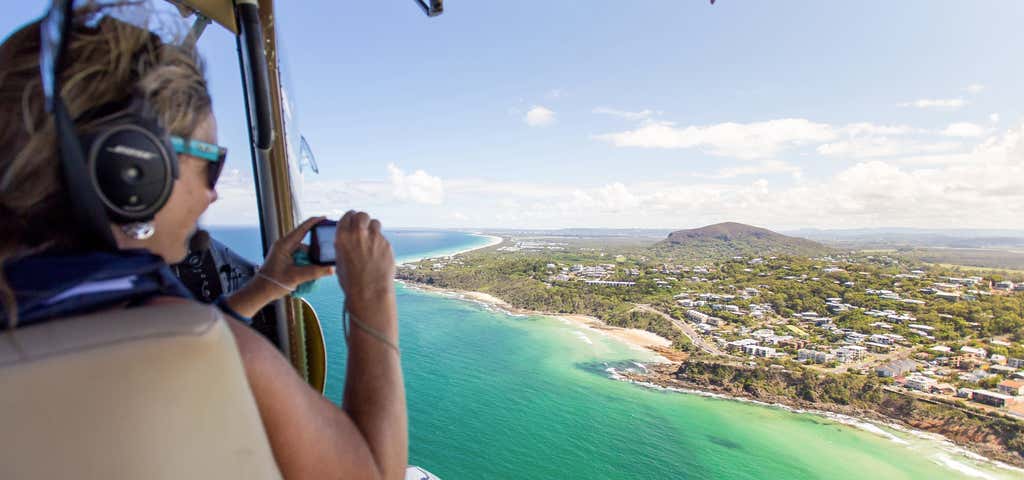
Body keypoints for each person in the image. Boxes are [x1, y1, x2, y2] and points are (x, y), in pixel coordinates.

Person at [0, 8, 406, 480]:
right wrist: (373, 295)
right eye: (211, 164)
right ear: (132, 167)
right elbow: (374, 473)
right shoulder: (210, 350)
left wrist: (267, 283)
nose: (214, 192)